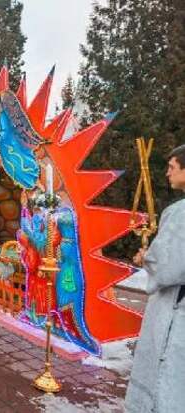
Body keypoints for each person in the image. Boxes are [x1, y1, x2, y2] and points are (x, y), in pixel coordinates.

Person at [125, 145, 185, 413]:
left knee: (166, 378)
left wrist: (146, 258)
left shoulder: (180, 212)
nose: (167, 173)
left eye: (172, 167)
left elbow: (168, 267)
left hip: (176, 307)